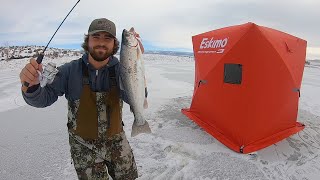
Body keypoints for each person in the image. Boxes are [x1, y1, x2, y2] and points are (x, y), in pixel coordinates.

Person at [19, 18, 142, 180]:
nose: (101, 43)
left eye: (107, 38)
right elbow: (44, 99)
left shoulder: (122, 70)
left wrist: (137, 64)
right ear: (87, 40)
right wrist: (32, 87)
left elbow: (137, 96)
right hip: (83, 146)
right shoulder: (70, 71)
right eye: (96, 37)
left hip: (116, 141)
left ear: (114, 44)